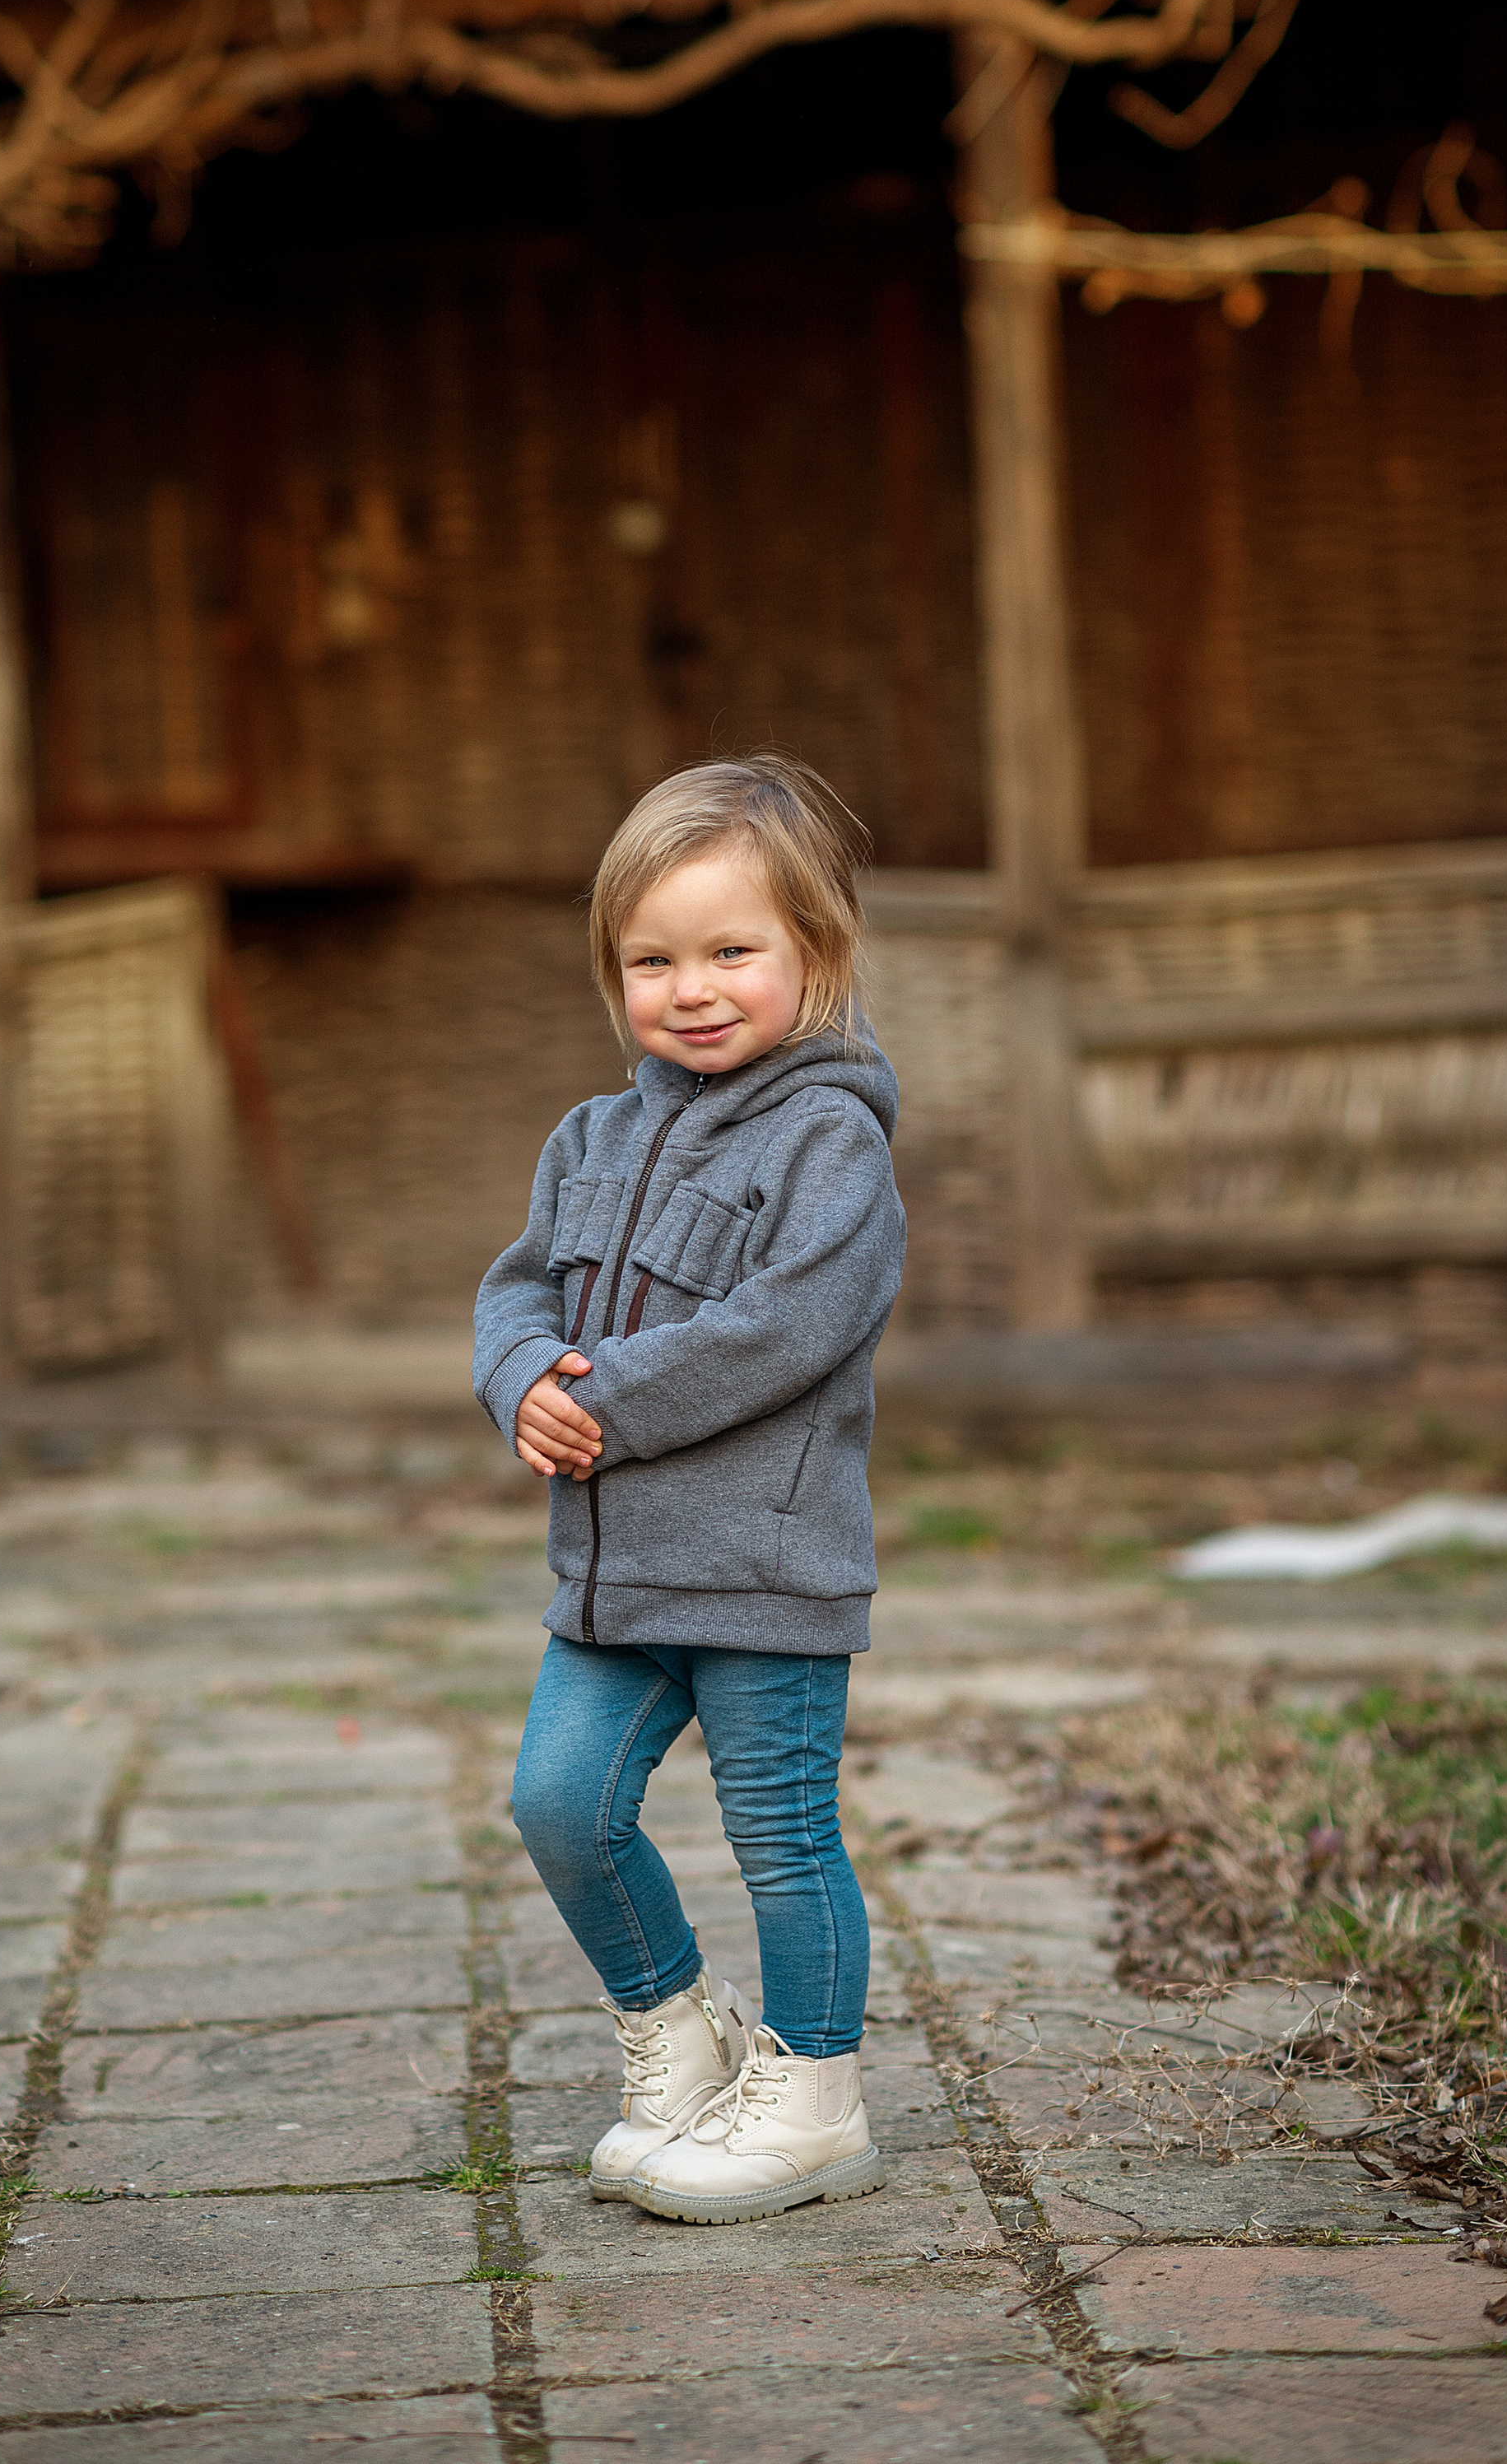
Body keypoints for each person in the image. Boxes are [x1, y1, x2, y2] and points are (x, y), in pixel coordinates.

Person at [473, 755, 906, 2224]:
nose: (694, 986)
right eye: (653, 959)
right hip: (612, 1576)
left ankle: (814, 2097)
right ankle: (676, 2029)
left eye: (733, 951)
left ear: (818, 955)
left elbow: (791, 1324)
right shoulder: (589, 1137)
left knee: (780, 1834)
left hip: (766, 1566)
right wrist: (520, 1372)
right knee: (557, 1804)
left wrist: (606, 1406)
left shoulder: (832, 1143)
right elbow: (518, 1286)